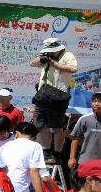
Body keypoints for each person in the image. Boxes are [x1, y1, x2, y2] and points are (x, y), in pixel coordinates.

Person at [29, 37, 78, 165]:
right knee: (41, 125)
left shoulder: (67, 55)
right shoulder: (45, 55)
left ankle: (57, 154)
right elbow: (32, 64)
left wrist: (53, 63)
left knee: (56, 127)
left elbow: (73, 69)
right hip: (43, 94)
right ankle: (46, 153)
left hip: (58, 95)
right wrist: (41, 58)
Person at [69, 91, 101, 168]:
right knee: (87, 180)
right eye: (94, 101)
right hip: (86, 160)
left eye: (100, 101)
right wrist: (72, 158)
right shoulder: (84, 119)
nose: (96, 104)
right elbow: (75, 139)